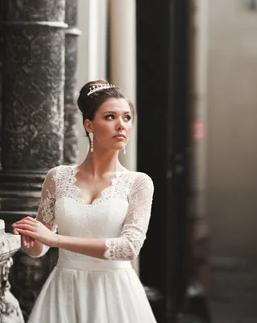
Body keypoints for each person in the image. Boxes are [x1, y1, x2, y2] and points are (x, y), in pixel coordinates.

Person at [12, 79, 157, 323]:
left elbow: (129, 248)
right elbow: (39, 249)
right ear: (89, 125)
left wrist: (55, 239)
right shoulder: (57, 177)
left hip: (115, 295)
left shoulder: (139, 183)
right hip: (65, 291)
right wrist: (29, 237)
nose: (121, 125)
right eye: (110, 117)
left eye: (127, 118)